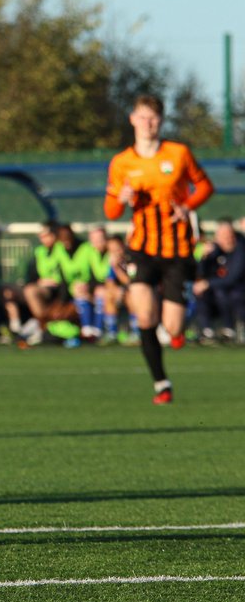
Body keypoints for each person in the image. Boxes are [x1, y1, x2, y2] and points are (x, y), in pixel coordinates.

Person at [104, 94, 213, 404]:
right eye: (142, 117)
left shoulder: (178, 154)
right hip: (142, 249)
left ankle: (177, 329)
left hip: (177, 249)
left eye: (154, 118)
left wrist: (187, 206)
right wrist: (121, 198)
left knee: (173, 325)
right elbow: (111, 211)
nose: (148, 124)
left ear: (161, 121)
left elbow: (205, 186)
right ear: (132, 119)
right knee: (145, 316)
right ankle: (161, 384)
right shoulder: (122, 162)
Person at [193, 219, 245, 344]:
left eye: (228, 235)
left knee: (223, 293)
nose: (226, 239)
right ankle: (207, 331)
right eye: (221, 236)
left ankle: (229, 330)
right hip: (216, 293)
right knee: (201, 293)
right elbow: (199, 274)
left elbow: (233, 278)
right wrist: (203, 257)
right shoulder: (214, 251)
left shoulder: (240, 250)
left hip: (237, 292)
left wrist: (208, 284)